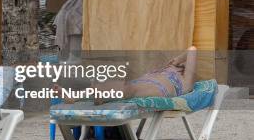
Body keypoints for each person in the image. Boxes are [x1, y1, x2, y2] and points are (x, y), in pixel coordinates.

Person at [54, 47, 198, 103]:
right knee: (126, 86)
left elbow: (192, 49)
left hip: (160, 89)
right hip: (147, 82)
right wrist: (173, 64)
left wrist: (179, 59)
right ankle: (75, 96)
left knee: (130, 89)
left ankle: (102, 95)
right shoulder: (165, 70)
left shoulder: (187, 81)